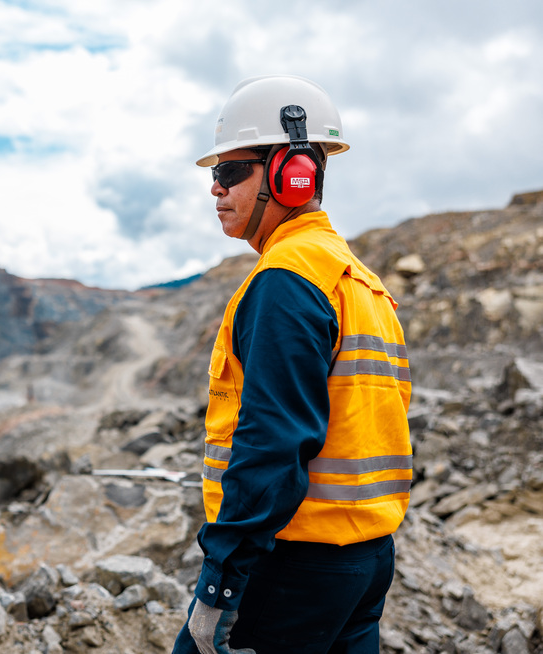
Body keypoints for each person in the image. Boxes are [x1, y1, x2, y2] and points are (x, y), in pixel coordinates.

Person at [172, 75, 413, 654]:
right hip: (363, 561)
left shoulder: (286, 280)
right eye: (215, 174)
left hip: (290, 568)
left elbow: (273, 443)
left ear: (293, 172)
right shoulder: (358, 279)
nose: (215, 188)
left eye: (232, 171)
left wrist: (220, 583)